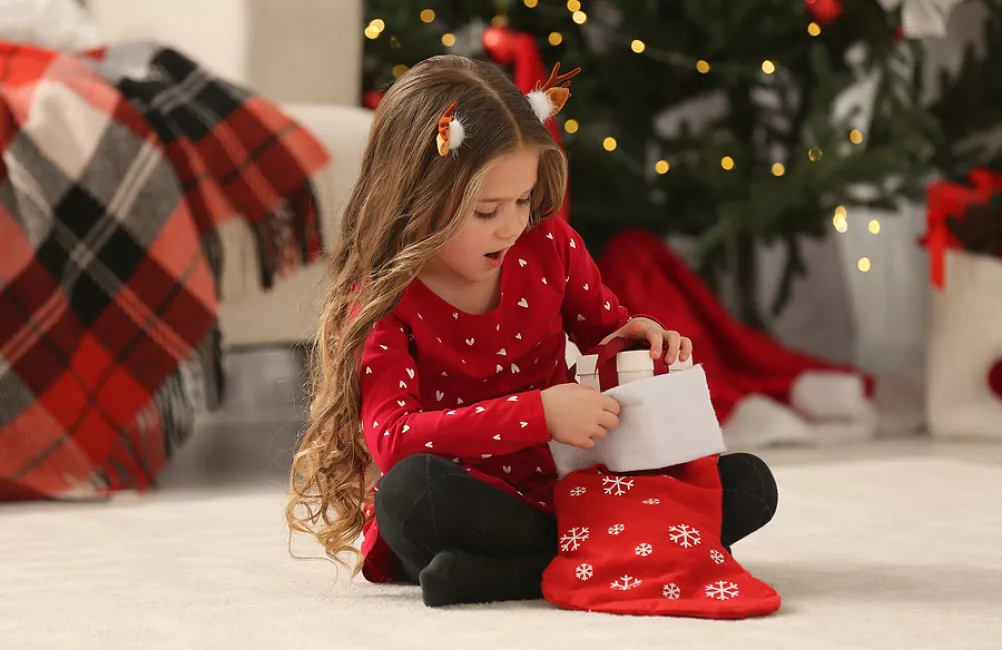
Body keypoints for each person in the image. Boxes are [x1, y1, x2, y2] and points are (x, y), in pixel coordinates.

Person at [286, 55, 778, 608]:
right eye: (487, 210)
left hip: (570, 489)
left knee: (748, 484)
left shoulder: (550, 246)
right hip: (473, 504)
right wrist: (539, 413)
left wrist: (637, 338)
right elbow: (395, 439)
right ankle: (599, 551)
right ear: (414, 203)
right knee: (409, 495)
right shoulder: (384, 303)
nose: (514, 223)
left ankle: (509, 574)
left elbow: (604, 333)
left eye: (522, 200)